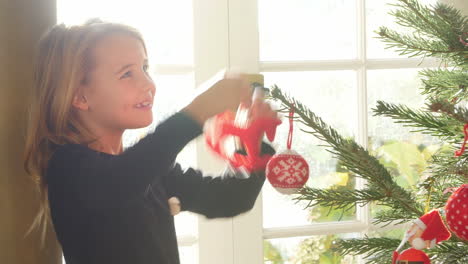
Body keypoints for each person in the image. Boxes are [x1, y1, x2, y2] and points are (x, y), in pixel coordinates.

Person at [23, 19, 277, 264]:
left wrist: (250, 143)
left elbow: (230, 199)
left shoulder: (152, 171)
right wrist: (197, 112)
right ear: (80, 97)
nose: (148, 84)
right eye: (126, 74)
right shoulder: (69, 167)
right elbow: (122, 180)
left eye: (145, 68)